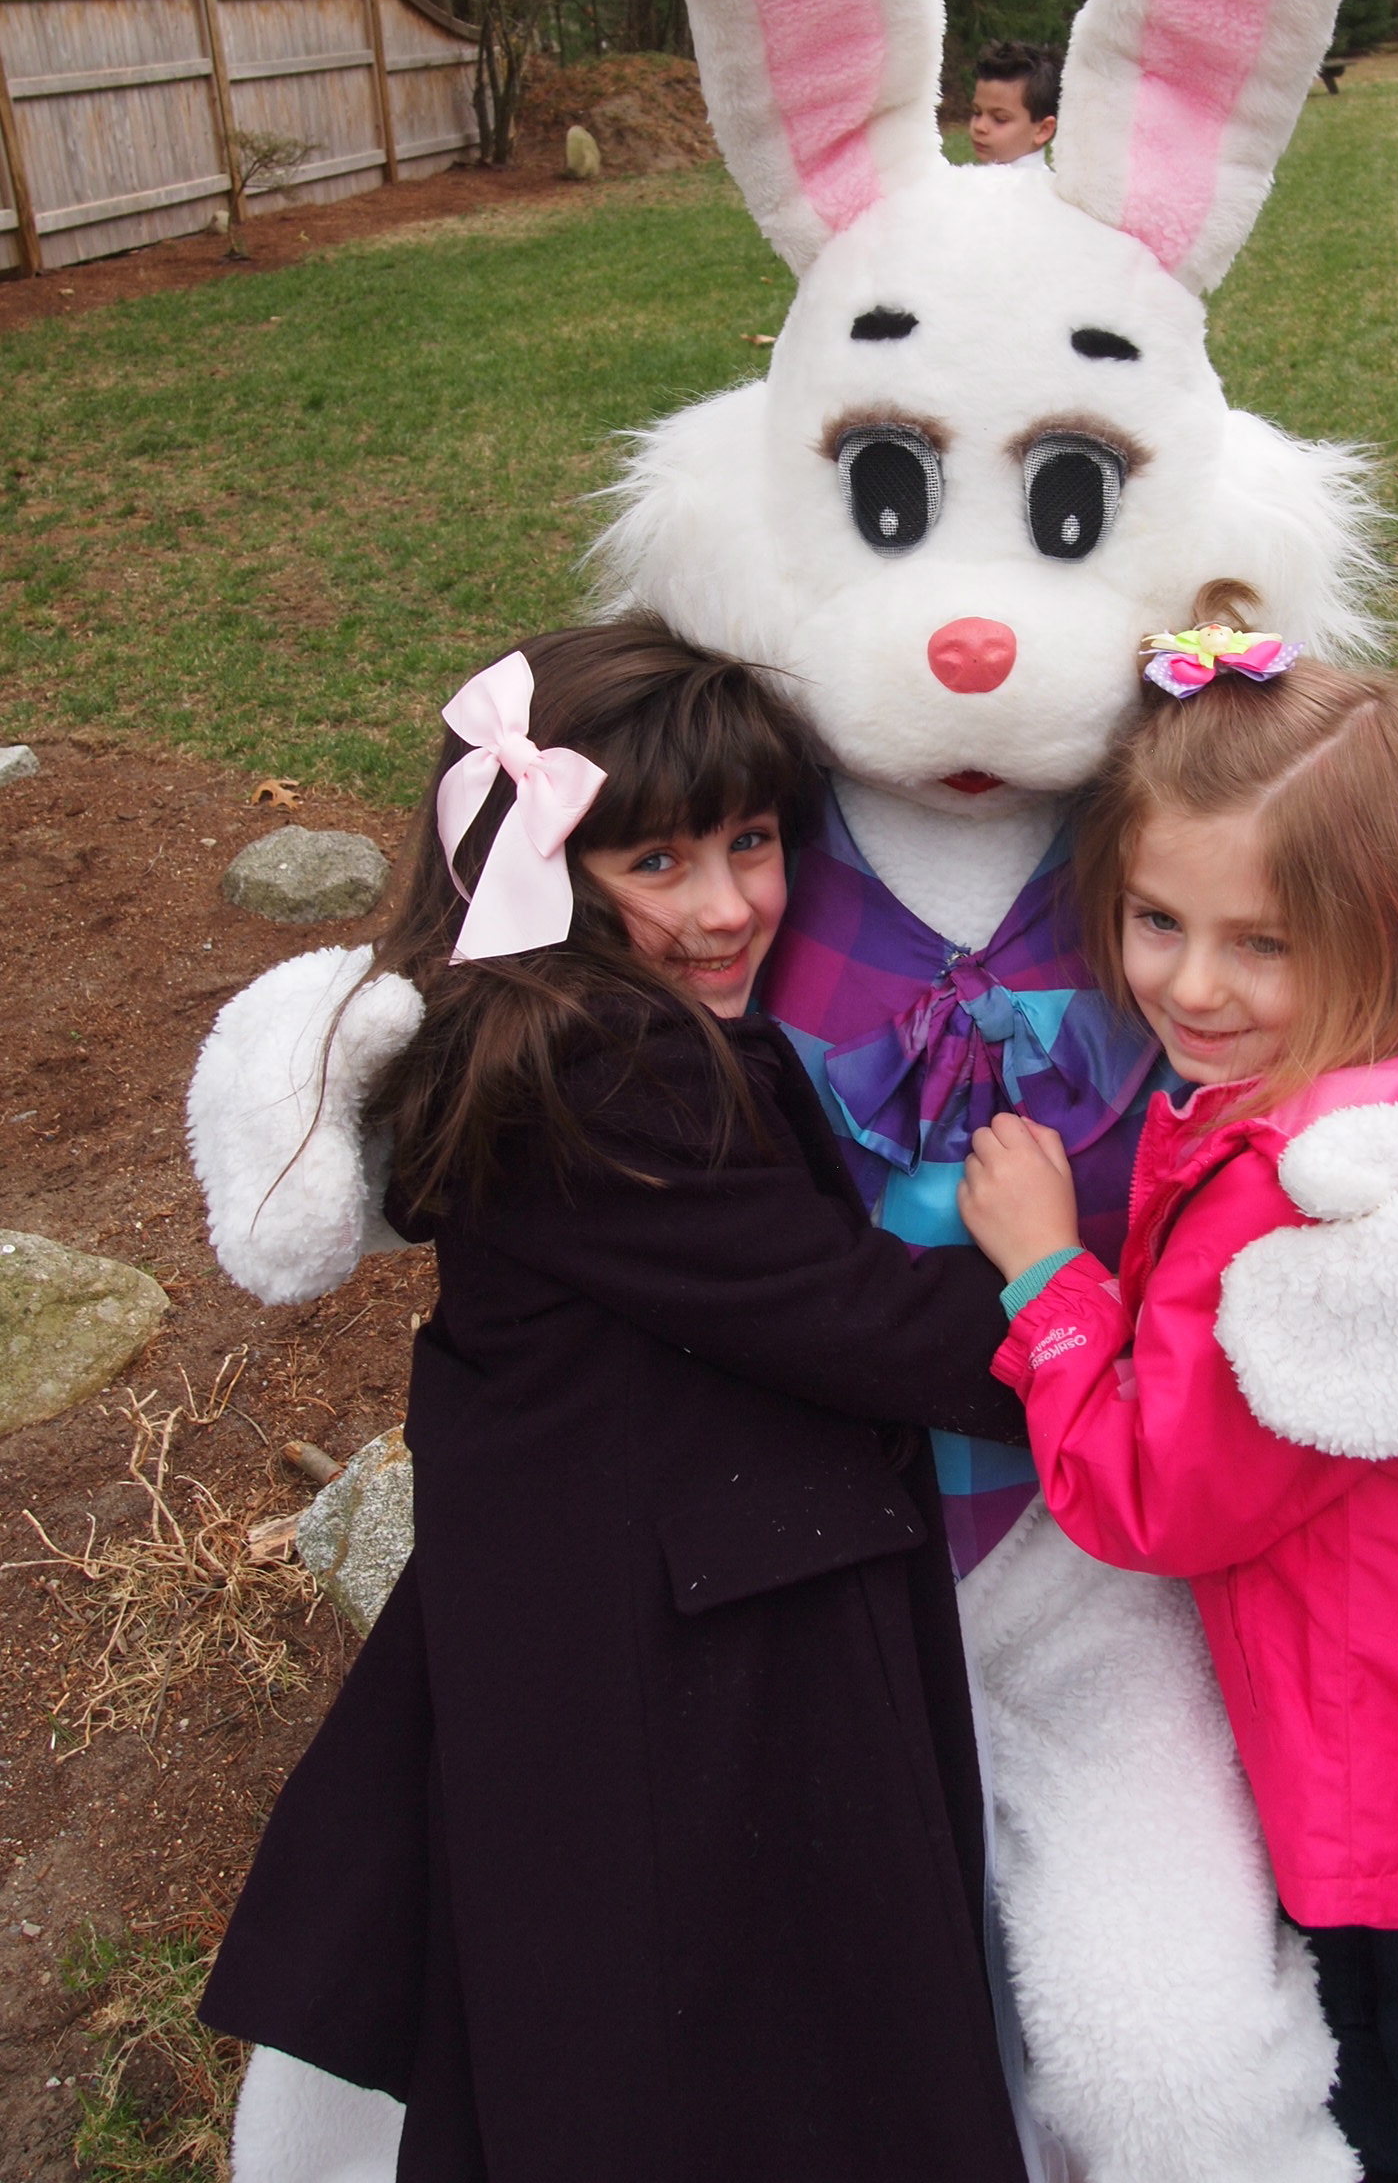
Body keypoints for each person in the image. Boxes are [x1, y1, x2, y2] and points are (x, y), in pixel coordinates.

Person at [200, 619, 1031, 2183]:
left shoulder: (554, 1038)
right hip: (678, 1656)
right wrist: (1076, 1313)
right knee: (705, 2037)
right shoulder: (596, 1078)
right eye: (658, 864)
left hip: (621, 1585)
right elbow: (851, 1318)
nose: (727, 907)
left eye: (753, 842)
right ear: (550, 878)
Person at [957, 621, 1398, 2183]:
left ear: (1383, 935)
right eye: (1157, 919)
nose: (1191, 985)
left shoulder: (1297, 1207)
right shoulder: (1374, 1073)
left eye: (1259, 943)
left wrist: (1048, 1275)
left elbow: (1152, 1499)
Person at [970, 37, 1061, 166]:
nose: (979, 127)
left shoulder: (1035, 180)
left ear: (1043, 130)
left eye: (1000, 119)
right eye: (977, 112)